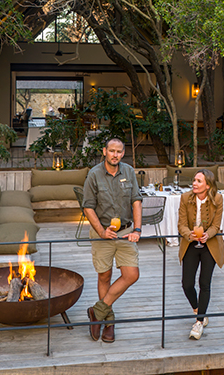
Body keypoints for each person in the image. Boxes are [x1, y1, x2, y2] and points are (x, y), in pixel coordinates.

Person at [81, 138, 142, 343]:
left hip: (126, 233)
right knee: (104, 276)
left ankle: (97, 311)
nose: (115, 155)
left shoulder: (129, 172)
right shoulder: (94, 174)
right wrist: (100, 231)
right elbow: (88, 206)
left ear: (123, 153)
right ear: (104, 151)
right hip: (103, 234)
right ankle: (108, 322)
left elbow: (136, 201)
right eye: (111, 151)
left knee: (131, 274)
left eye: (119, 151)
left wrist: (138, 229)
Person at [177, 169, 224, 340]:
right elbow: (181, 224)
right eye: (194, 180)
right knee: (187, 284)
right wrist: (188, 234)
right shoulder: (185, 198)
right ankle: (199, 310)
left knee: (204, 283)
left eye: (199, 181)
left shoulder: (218, 199)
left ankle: (198, 323)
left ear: (208, 185)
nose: (194, 183)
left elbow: (216, 225)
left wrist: (208, 234)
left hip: (209, 245)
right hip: (190, 243)